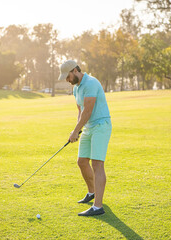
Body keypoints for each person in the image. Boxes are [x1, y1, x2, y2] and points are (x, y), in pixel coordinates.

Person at [58, 60, 112, 216]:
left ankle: (98, 207)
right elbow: (80, 112)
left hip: (101, 125)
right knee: (82, 161)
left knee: (97, 164)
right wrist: (78, 129)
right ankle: (92, 192)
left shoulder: (90, 83)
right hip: (88, 128)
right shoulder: (76, 88)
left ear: (75, 70)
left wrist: (75, 131)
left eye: (67, 76)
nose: (67, 80)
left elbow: (88, 111)